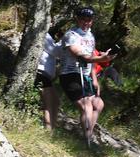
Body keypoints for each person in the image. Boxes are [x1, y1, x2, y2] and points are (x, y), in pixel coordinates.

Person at [59, 6, 115, 147]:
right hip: (70, 75)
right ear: (77, 19)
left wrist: (95, 79)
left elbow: (91, 60)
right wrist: (102, 59)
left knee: (98, 104)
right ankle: (87, 141)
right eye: (83, 20)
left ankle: (87, 133)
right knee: (86, 106)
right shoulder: (71, 35)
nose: (86, 23)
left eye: (89, 20)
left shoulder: (90, 36)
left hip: (86, 76)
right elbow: (83, 57)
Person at [35, 32, 62, 130]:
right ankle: (48, 130)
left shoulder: (47, 35)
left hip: (46, 75)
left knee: (55, 102)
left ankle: (51, 129)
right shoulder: (43, 34)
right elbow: (55, 51)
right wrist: (64, 42)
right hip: (41, 72)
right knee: (49, 103)